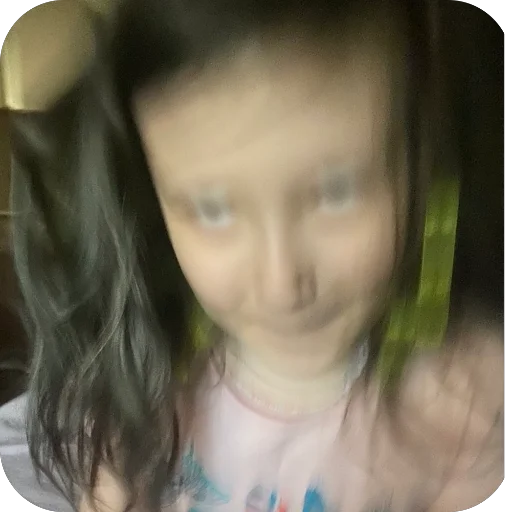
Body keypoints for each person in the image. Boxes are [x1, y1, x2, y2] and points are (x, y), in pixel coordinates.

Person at [0, 0, 503, 511]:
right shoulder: (137, 392)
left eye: (337, 193)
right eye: (212, 209)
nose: (282, 285)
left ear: (424, 168)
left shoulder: (472, 411)